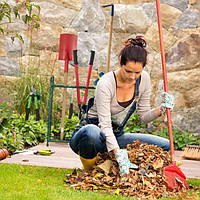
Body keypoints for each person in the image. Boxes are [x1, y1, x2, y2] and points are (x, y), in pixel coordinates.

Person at [70, 36, 175, 176]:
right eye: (128, 71)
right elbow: (104, 125)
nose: (132, 77)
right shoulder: (106, 83)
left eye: (137, 72)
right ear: (120, 63)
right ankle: (89, 171)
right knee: (91, 133)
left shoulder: (144, 80)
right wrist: (118, 153)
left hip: (115, 135)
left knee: (166, 145)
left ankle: (121, 169)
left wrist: (161, 109)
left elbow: (143, 117)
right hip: (91, 137)